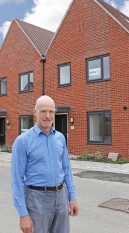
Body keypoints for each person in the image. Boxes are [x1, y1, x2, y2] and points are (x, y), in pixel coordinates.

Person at [11, 95, 79, 233]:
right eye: (43, 111)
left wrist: (72, 197)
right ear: (35, 113)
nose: (47, 116)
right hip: (37, 200)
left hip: (61, 197)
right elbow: (16, 180)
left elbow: (66, 169)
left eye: (51, 111)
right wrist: (23, 214)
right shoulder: (22, 141)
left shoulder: (60, 138)